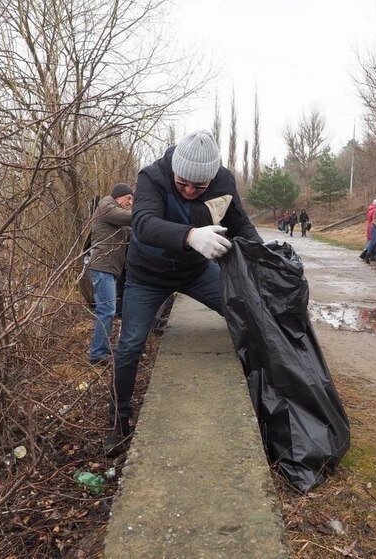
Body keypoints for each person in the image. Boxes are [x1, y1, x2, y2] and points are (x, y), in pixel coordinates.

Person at [105, 130, 262, 454]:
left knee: (245, 310)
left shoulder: (223, 182)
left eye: (198, 187)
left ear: (211, 178)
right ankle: (118, 422)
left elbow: (240, 224)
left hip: (196, 271)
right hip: (147, 276)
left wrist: (263, 256)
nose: (190, 191)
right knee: (131, 345)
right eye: (183, 184)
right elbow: (144, 223)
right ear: (174, 170)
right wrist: (190, 235)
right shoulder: (153, 177)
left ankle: (262, 392)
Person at [88, 183, 133, 364]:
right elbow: (130, 219)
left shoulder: (114, 215)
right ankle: (98, 353)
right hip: (102, 267)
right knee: (107, 310)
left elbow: (130, 230)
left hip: (108, 269)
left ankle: (102, 348)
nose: (130, 202)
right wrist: (147, 213)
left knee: (107, 310)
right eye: (128, 198)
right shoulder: (106, 207)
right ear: (118, 197)